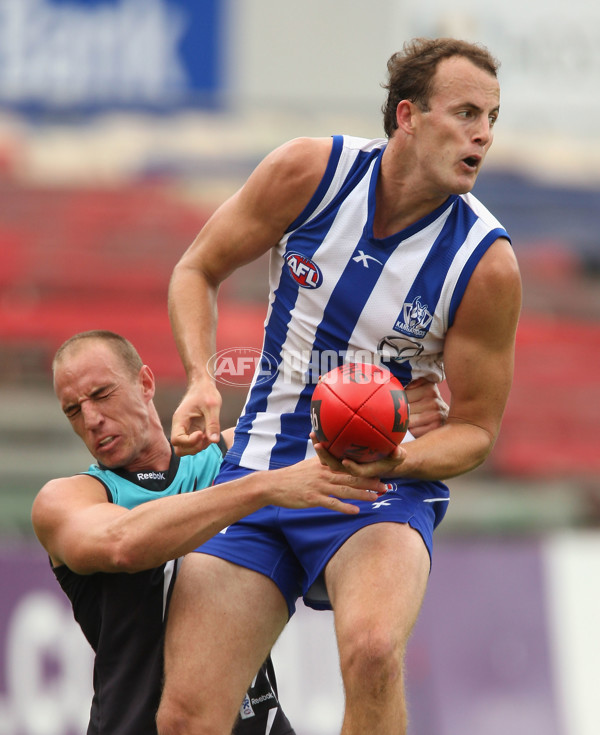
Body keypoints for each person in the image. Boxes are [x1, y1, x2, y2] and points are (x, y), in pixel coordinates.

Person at [157, 37, 521, 735]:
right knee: (185, 716)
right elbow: (196, 269)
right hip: (263, 465)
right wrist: (203, 379)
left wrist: (400, 458)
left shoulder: (487, 263)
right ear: (408, 116)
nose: (483, 134)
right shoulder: (310, 173)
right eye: (467, 112)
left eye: (493, 118)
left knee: (375, 652)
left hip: (377, 489)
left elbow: (476, 430)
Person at [31, 329, 391, 735]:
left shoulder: (233, 458)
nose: (91, 419)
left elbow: (344, 428)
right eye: (73, 410)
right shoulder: (65, 499)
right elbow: (122, 544)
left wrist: (404, 409)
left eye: (101, 394)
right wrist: (262, 487)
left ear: (145, 383)